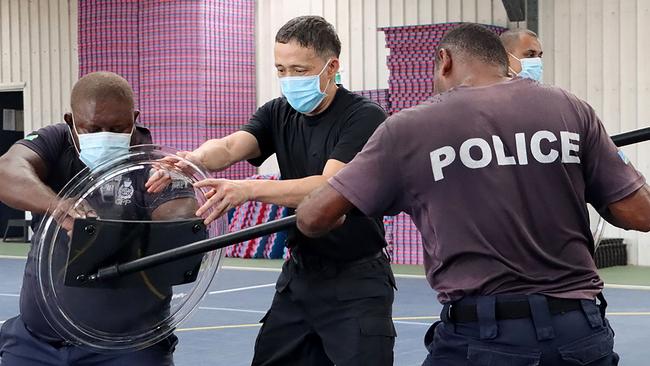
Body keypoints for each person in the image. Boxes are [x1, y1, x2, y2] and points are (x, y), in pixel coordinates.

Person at [296, 23, 650, 365]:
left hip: (483, 336)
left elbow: (313, 218)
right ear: (503, 62)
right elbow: (640, 214)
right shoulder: (570, 108)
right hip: (580, 331)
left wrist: (357, 199)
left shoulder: (410, 128)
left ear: (445, 60)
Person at [146, 15, 395, 366]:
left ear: (331, 66)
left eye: (299, 70)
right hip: (300, 277)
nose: (288, 80)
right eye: (281, 70)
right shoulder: (278, 112)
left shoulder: (364, 117)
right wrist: (192, 159)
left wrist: (248, 189)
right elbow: (232, 147)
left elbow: (330, 186)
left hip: (356, 282)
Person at [0, 71, 196, 366]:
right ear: (71, 122)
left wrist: (179, 188)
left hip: (127, 347)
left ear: (134, 118)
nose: (104, 135)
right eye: (92, 128)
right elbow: (7, 170)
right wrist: (58, 206)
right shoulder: (56, 142)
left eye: (117, 127)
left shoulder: (152, 163)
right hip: (36, 343)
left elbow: (181, 219)